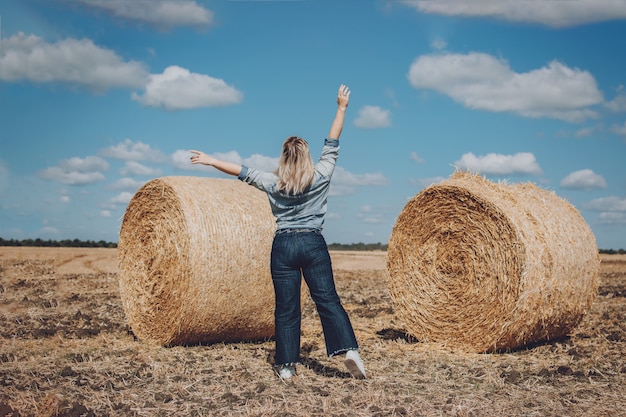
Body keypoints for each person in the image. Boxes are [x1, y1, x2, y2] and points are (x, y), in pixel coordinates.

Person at [190, 84, 366, 380]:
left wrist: (210, 160)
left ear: (283, 159)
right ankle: (348, 350)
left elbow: (241, 170)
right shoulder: (321, 174)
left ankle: (286, 366)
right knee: (327, 300)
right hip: (313, 242)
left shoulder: (272, 183)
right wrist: (342, 107)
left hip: (283, 245)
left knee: (286, 307)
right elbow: (332, 140)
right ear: (306, 157)